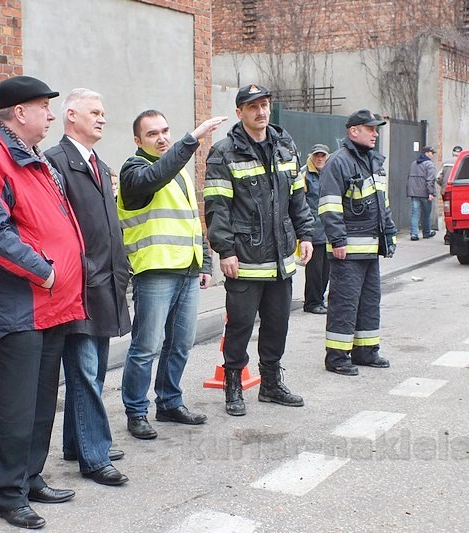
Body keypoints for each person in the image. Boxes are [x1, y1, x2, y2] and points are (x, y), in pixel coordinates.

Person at [0, 75, 81, 530]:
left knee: (42, 399)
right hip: (21, 304)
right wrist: (45, 269)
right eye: (45, 107)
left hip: (51, 303)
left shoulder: (32, 157)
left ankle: (30, 477)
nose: (51, 115)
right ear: (20, 112)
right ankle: (7, 494)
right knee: (14, 404)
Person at [204, 84, 314, 417]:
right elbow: (217, 206)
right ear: (240, 113)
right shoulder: (224, 152)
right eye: (253, 107)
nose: (261, 112)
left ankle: (270, 384)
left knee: (277, 323)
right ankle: (233, 386)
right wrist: (224, 251)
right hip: (245, 257)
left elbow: (298, 196)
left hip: (281, 256)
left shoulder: (285, 145)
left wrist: (306, 234)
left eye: (264, 105)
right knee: (239, 325)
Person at [118, 110, 225, 439]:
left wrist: (204, 263)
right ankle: (136, 411)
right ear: (139, 141)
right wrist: (190, 140)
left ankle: (169, 402)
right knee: (146, 346)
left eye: (165, 130)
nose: (162, 137)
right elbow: (154, 177)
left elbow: (194, 220)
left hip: (187, 270)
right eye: (153, 134)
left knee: (180, 344)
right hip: (155, 271)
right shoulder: (134, 170)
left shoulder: (181, 174)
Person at [45, 89, 130, 486]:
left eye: (103, 112)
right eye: (94, 112)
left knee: (92, 371)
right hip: (79, 286)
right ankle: (94, 456)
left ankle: (78, 442)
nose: (102, 118)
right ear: (71, 115)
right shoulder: (56, 162)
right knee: (84, 371)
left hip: (104, 282)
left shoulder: (98, 163)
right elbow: (57, 229)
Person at [318, 109, 397, 376]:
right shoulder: (338, 162)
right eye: (370, 129)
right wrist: (337, 239)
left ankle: (366, 351)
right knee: (344, 302)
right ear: (354, 131)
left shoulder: (372, 162)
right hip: (347, 250)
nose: (375, 134)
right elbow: (329, 205)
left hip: (370, 248)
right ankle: (337, 357)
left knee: (369, 301)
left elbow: (382, 204)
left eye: (376, 129)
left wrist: (389, 234)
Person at [302, 143, 331, 315]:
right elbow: (300, 202)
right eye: (317, 155)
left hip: (328, 230)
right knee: (314, 271)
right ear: (311, 156)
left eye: (323, 156)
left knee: (325, 270)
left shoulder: (330, 173)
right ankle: (312, 302)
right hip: (312, 230)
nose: (320, 159)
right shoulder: (304, 174)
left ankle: (319, 300)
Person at [407, 145, 437, 240]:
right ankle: (426, 232)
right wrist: (431, 193)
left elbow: (409, 178)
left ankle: (414, 234)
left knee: (415, 214)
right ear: (427, 153)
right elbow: (430, 180)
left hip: (414, 193)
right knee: (426, 214)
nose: (433, 155)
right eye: (432, 153)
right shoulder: (429, 165)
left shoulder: (414, 163)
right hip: (425, 193)